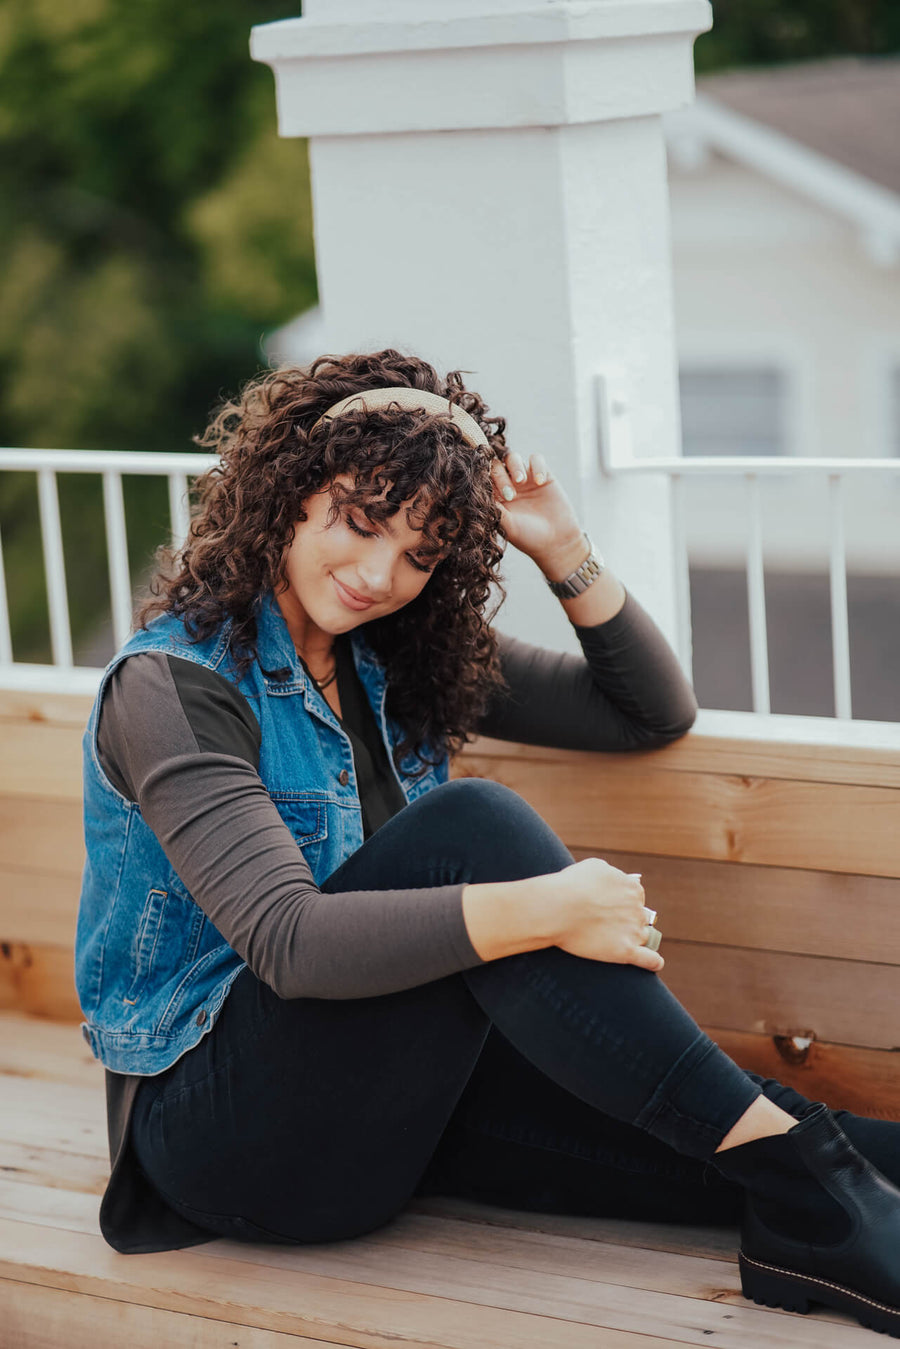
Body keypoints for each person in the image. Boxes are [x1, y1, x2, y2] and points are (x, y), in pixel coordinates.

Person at [76, 349, 900, 1336]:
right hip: (228, 1141)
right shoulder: (173, 684)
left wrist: (563, 550)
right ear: (286, 490)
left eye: (423, 553)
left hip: (388, 1110)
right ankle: (812, 1185)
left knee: (807, 1147)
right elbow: (291, 941)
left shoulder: (395, 652)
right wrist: (548, 905)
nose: (380, 574)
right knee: (475, 827)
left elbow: (648, 711)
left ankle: (813, 1192)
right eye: (359, 519)